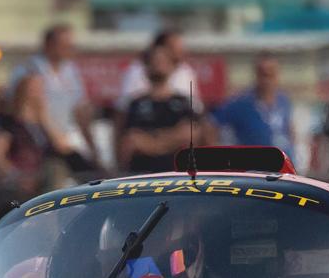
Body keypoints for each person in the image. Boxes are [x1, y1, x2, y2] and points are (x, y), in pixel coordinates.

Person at [10, 23, 100, 172]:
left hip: (64, 140)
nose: (69, 50)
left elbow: (79, 109)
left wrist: (92, 149)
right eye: (64, 46)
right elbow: (32, 109)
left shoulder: (70, 71)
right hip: (38, 142)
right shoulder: (31, 69)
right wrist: (56, 139)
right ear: (49, 45)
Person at [117, 46, 200, 175]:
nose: (158, 65)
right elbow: (131, 140)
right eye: (154, 61)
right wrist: (172, 138)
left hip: (177, 174)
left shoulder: (184, 102)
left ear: (172, 66)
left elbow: (189, 135)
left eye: (163, 61)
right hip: (142, 174)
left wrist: (152, 142)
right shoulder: (136, 104)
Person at [210, 54, 295, 165]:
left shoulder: (283, 100)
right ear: (256, 75)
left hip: (283, 166)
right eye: (263, 74)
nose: (267, 79)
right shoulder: (241, 102)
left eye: (271, 74)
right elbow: (211, 124)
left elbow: (288, 127)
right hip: (254, 167)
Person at [0, 72, 62, 195]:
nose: (40, 92)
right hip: (20, 180)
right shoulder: (9, 120)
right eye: (35, 88)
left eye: (42, 88)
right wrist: (17, 176)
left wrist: (44, 119)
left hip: (45, 178)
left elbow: (61, 146)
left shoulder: (43, 121)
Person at [113, 29, 199, 112]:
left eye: (180, 48)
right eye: (173, 47)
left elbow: (194, 105)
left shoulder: (186, 71)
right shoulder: (137, 69)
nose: (179, 52)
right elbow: (125, 105)